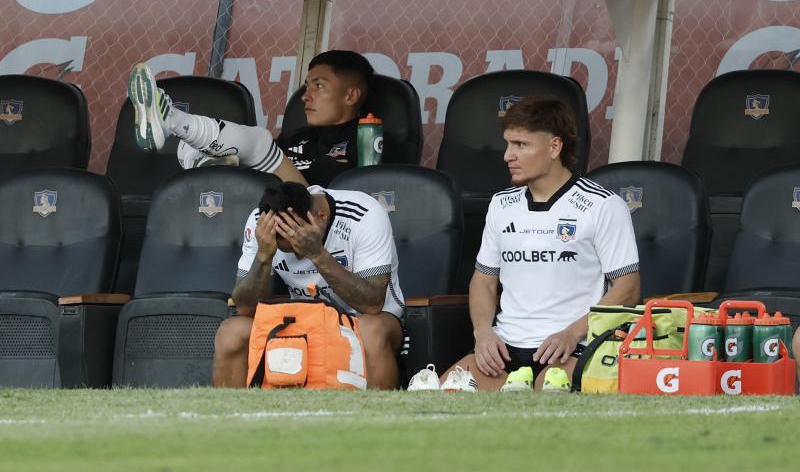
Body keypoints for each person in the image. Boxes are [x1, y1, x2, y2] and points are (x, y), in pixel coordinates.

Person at [409, 97, 641, 392]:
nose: (508, 155)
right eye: (508, 144)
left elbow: (628, 288)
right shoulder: (501, 204)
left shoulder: (602, 205)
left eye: (520, 145)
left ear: (554, 147)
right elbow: (483, 280)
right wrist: (483, 333)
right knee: (438, 399)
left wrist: (572, 334)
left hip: (571, 347)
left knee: (546, 400)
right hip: (505, 348)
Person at [213, 174, 405, 390]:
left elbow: (372, 304)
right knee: (232, 331)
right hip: (303, 322)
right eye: (288, 246)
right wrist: (263, 257)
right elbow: (245, 308)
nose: (297, 254)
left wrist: (317, 254)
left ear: (321, 216)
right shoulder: (263, 222)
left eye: (300, 241)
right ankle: (233, 411)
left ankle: (378, 410)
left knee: (371, 331)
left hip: (361, 321)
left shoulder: (363, 213)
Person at [128, 49, 374, 186]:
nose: (305, 96)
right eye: (307, 86)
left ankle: (172, 119)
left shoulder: (368, 140)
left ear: (351, 95)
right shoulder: (296, 137)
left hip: (317, 218)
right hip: (263, 217)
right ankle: (205, 159)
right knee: (190, 146)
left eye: (318, 86)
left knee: (259, 142)